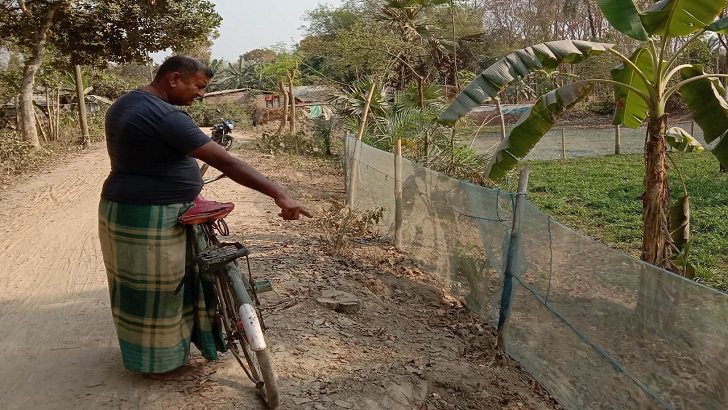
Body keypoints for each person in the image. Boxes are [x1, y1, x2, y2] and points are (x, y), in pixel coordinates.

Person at [97, 55, 311, 381]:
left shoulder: (126, 102)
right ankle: (159, 365)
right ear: (173, 79)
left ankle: (158, 351)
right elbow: (228, 162)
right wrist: (279, 194)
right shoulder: (167, 116)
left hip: (127, 208)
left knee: (141, 289)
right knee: (162, 291)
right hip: (153, 214)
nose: (201, 95)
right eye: (198, 87)